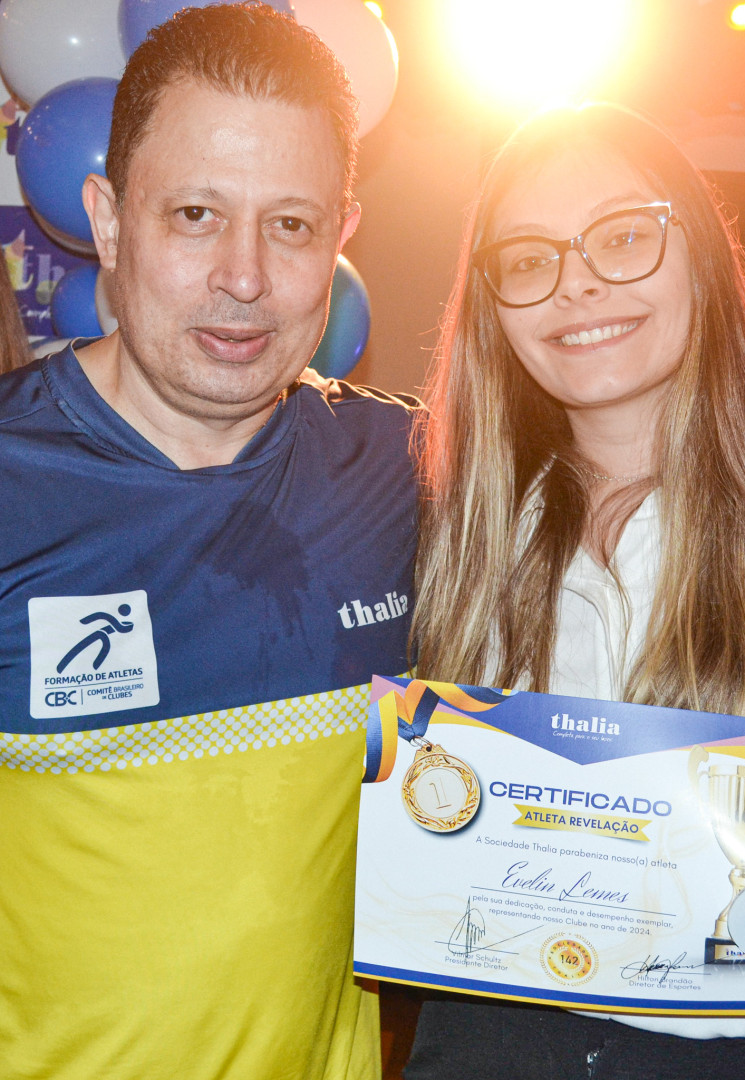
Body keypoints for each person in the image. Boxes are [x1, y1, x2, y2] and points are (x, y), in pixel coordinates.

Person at [406, 102, 745, 1079]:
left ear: (699, 257)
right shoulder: (458, 528)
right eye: (530, 259)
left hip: (733, 1054)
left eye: (625, 236)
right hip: (480, 1039)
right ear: (494, 307)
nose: (578, 283)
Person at [0, 5, 416, 1079]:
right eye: (195, 214)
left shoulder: (410, 474)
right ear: (107, 220)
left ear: (341, 234)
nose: (244, 276)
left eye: (292, 225)